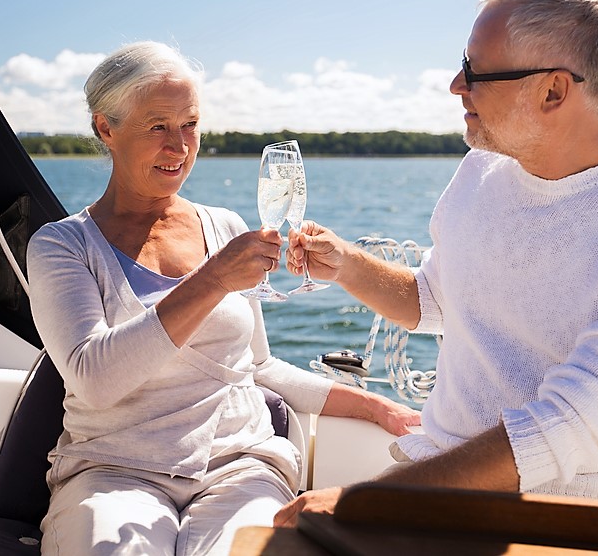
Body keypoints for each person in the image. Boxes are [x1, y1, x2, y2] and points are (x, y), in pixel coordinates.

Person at [275, 0, 598, 527]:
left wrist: (368, 499)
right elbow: (435, 302)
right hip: (437, 489)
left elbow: (569, 423)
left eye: (476, 71)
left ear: (552, 90)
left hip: (573, 516)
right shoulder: (482, 170)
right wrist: (348, 265)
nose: (456, 85)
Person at [26, 41, 420, 556]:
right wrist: (211, 280)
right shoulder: (62, 245)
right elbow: (96, 380)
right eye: (157, 126)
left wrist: (372, 405)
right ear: (106, 128)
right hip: (113, 473)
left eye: (189, 125)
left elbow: (259, 367)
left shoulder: (224, 227)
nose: (179, 146)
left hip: (241, 469)